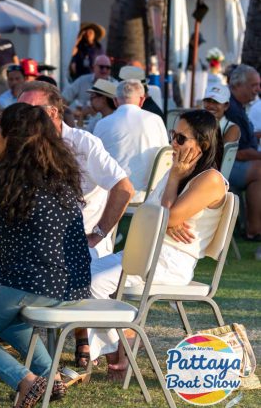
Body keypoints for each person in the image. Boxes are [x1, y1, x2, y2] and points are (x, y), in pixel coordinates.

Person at [0, 81, 134, 368]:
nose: (22, 115)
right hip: (32, 244)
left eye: (29, 109)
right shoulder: (20, 145)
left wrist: (98, 233)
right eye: (19, 108)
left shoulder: (82, 143)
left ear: (53, 112)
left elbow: (124, 188)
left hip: (76, 245)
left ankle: (79, 338)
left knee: (13, 267)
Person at [0, 103, 92, 408]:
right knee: (9, 321)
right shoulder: (61, 173)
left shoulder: (6, 179)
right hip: (73, 284)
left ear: (10, 138)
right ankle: (51, 377)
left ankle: (25, 380)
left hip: (29, 281)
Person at [85, 110, 228, 379]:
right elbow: (154, 214)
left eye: (181, 138)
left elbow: (164, 217)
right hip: (145, 251)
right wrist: (166, 216)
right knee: (79, 275)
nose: (173, 142)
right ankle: (123, 340)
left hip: (170, 261)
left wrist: (170, 198)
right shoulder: (180, 171)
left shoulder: (210, 179)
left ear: (203, 144)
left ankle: (120, 348)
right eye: (173, 135)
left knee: (93, 283)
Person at [93, 79, 169, 203]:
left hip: (112, 197)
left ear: (115, 101)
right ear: (142, 100)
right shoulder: (156, 120)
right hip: (149, 196)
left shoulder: (102, 124)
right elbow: (166, 157)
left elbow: (95, 162)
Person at [225, 64, 261, 240]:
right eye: (254, 85)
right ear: (238, 85)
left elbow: (245, 141)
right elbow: (239, 152)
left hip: (233, 162)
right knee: (259, 171)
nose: (258, 89)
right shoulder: (232, 109)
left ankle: (253, 227)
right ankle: (254, 229)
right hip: (224, 167)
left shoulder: (237, 106)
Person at [201, 83, 241, 149]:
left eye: (216, 102)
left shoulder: (232, 128)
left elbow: (220, 153)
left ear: (226, 106)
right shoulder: (196, 122)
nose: (211, 106)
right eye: (208, 101)